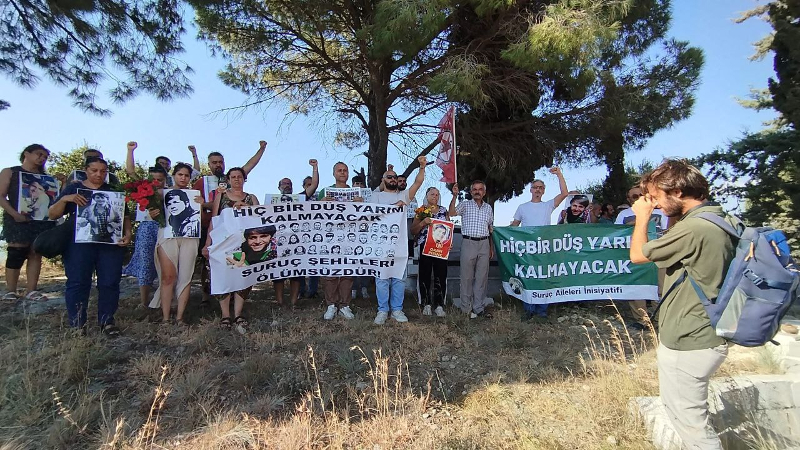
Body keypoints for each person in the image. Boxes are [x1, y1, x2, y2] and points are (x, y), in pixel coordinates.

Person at [629, 159, 735, 450]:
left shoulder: (694, 228)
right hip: (708, 332)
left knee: (692, 426)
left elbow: (637, 255)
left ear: (676, 192)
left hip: (690, 339)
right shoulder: (716, 218)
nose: (653, 203)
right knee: (691, 415)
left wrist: (642, 217)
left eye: (656, 196)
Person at [48, 157, 132, 336]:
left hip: (110, 245)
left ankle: (107, 322)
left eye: (103, 171)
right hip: (79, 244)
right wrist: (66, 199)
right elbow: (52, 214)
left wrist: (128, 233)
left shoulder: (113, 191)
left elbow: (125, 216)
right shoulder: (73, 189)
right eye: (94, 170)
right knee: (78, 282)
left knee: (110, 282)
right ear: (86, 170)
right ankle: (77, 324)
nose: (99, 174)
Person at [194, 141, 268, 303]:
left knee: (237, 263)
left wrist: (261, 149)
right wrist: (207, 205)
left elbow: (250, 165)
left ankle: (235, 296)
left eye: (220, 162)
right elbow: (194, 202)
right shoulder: (201, 182)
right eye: (214, 162)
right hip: (209, 226)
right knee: (208, 262)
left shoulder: (232, 179)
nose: (218, 165)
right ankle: (207, 295)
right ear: (209, 164)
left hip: (236, 231)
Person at [203, 167, 262, 331]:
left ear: (244, 179)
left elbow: (260, 219)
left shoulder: (251, 198)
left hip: (245, 244)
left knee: (243, 276)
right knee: (223, 275)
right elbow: (214, 220)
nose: (237, 179)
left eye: (240, 176)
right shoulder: (221, 197)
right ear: (228, 180)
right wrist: (207, 243)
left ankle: (238, 314)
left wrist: (247, 209)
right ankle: (225, 315)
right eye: (233, 177)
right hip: (222, 243)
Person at [370, 156, 427, 324]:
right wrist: (393, 207)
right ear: (383, 180)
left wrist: (422, 167)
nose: (393, 179)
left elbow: (418, 183)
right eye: (389, 177)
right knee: (382, 279)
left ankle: (397, 309)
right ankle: (382, 310)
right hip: (381, 245)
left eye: (395, 177)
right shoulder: (376, 197)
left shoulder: (404, 195)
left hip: (400, 245)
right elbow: (371, 215)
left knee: (399, 279)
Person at [0, 144, 57, 301]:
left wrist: (61, 182)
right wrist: (14, 214)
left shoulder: (46, 178)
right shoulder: (10, 172)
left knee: (36, 252)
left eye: (45, 157)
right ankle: (10, 291)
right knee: (16, 252)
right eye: (39, 154)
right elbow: (1, 195)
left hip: (41, 220)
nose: (42, 158)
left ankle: (32, 290)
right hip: (16, 218)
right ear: (26, 153)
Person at [150, 163, 203, 325]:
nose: (183, 178)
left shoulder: (195, 195)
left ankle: (180, 317)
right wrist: (153, 213)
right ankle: (165, 317)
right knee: (168, 277)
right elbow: (152, 212)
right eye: (180, 174)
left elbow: (201, 215)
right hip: (167, 236)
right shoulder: (161, 193)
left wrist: (202, 204)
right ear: (173, 175)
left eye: (186, 175)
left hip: (190, 238)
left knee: (186, 277)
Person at [616, 185, 671, 330]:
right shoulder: (623, 215)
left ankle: (661, 320)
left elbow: (667, 231)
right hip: (633, 255)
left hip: (658, 255)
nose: (639, 197)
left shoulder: (661, 212)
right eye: (634, 196)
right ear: (629, 199)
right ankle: (642, 321)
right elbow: (615, 233)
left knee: (661, 288)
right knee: (636, 289)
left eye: (641, 194)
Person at [122, 157, 168, 307]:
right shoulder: (142, 187)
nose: (156, 182)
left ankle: (163, 299)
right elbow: (130, 171)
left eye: (160, 180)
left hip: (165, 229)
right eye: (153, 179)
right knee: (145, 263)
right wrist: (131, 151)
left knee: (166, 264)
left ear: (165, 180)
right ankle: (144, 302)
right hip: (147, 228)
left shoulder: (170, 191)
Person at [320, 162, 362, 320]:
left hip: (349, 237)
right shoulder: (325, 191)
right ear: (334, 173)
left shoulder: (355, 192)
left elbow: (364, 215)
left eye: (345, 170)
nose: (343, 173)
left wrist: (361, 204)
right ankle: (331, 305)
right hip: (330, 237)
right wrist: (322, 203)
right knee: (330, 272)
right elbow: (315, 212)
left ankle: (345, 305)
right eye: (339, 170)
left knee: (347, 272)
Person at [274, 159, 319, 307]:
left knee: (296, 272)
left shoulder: (300, 198)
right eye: (284, 184)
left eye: (289, 184)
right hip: (278, 241)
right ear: (279, 187)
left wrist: (315, 168)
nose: (287, 185)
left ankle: (294, 301)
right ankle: (279, 302)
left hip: (296, 241)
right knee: (278, 274)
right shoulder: (272, 202)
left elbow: (314, 185)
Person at [449, 181, 494, 319]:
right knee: (466, 277)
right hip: (468, 242)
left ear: (484, 192)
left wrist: (491, 247)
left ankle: (478, 308)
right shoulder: (465, 204)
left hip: (484, 243)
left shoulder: (488, 208)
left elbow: (490, 229)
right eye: (474, 189)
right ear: (471, 192)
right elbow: (451, 213)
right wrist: (454, 196)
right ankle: (465, 309)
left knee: (482, 277)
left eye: (480, 189)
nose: (477, 191)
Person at [411, 187, 455, 317]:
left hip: (440, 247)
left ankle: (439, 304)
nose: (435, 196)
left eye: (437, 194)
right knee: (424, 274)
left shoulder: (443, 211)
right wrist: (422, 223)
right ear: (427, 196)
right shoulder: (421, 210)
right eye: (432, 194)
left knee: (440, 275)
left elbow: (449, 228)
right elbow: (413, 231)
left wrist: (449, 242)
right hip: (425, 246)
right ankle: (426, 304)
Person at [350, 175, 371, 300]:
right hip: (351, 235)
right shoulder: (347, 198)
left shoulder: (369, 197)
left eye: (360, 183)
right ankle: (353, 288)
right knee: (353, 262)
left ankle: (364, 287)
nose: (358, 186)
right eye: (356, 183)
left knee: (365, 261)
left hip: (365, 235)